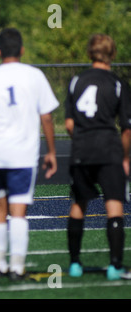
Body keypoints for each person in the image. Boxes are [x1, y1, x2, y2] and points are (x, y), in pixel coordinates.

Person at [0, 28, 59, 280]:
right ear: (22, 50)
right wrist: (52, 151)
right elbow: (47, 117)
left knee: (0, 208)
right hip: (23, 154)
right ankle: (18, 268)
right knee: (18, 211)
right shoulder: (35, 76)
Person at [65, 34, 131, 280]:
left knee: (78, 204)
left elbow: (70, 124)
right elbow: (127, 127)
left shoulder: (76, 81)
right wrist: (124, 156)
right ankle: (115, 265)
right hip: (108, 150)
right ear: (112, 54)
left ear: (89, 54)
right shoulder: (117, 83)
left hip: (82, 149)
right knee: (113, 204)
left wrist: (83, 140)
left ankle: (74, 263)